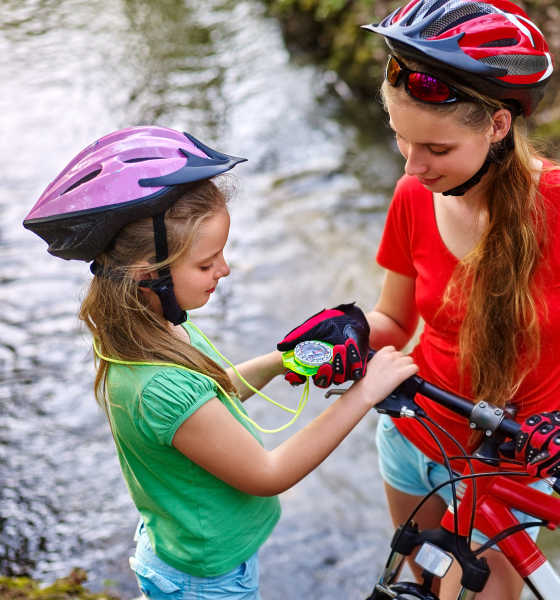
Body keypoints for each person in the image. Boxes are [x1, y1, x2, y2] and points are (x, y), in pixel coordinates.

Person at [23, 126, 417, 600]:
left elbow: (214, 390)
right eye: (207, 264)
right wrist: (364, 394)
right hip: (206, 584)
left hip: (186, 554)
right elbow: (269, 474)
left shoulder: (157, 331)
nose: (224, 270)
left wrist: (277, 362)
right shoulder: (157, 386)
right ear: (150, 276)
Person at [362, 1, 560, 598]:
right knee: (415, 587)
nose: (414, 166)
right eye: (400, 139)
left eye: (437, 150)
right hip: (410, 438)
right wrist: (341, 334)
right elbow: (394, 320)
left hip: (513, 469)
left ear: (498, 126)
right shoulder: (412, 195)